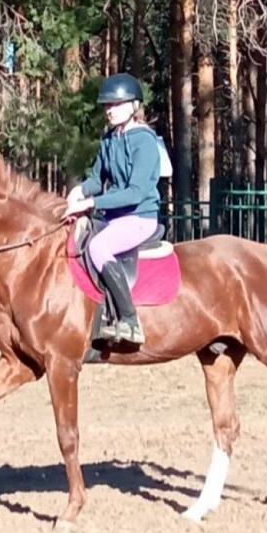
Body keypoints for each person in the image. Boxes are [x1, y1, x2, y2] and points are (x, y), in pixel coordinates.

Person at [61, 72, 165, 345]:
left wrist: (92, 202)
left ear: (133, 107)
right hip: (114, 217)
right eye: (107, 106)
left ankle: (130, 321)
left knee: (98, 248)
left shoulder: (144, 141)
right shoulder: (110, 139)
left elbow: (136, 192)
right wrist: (80, 190)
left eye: (116, 105)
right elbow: (98, 179)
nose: (110, 111)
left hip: (140, 217)